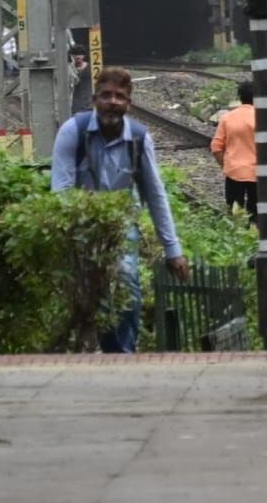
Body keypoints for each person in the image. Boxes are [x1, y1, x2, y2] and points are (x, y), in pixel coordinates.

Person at [51, 66, 189, 353]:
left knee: (127, 283)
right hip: (81, 223)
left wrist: (172, 249)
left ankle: (122, 354)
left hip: (122, 224)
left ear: (129, 103)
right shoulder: (72, 132)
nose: (112, 102)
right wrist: (65, 234)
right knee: (86, 291)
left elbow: (155, 193)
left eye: (119, 96)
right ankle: (87, 349)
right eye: (106, 95)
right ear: (94, 99)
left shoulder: (138, 139)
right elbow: (61, 190)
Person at [211, 80, 258, 224]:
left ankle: (237, 237)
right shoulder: (264, 118)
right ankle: (254, 238)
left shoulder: (227, 118)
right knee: (255, 214)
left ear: (240, 97)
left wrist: (226, 165)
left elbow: (216, 147)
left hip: (234, 172)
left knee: (234, 213)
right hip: (258, 172)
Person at [68, 44, 93, 113]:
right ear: (72, 56)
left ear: (84, 55)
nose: (78, 56)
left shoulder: (91, 68)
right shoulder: (69, 69)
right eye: (75, 54)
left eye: (80, 54)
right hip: (75, 104)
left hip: (89, 101)